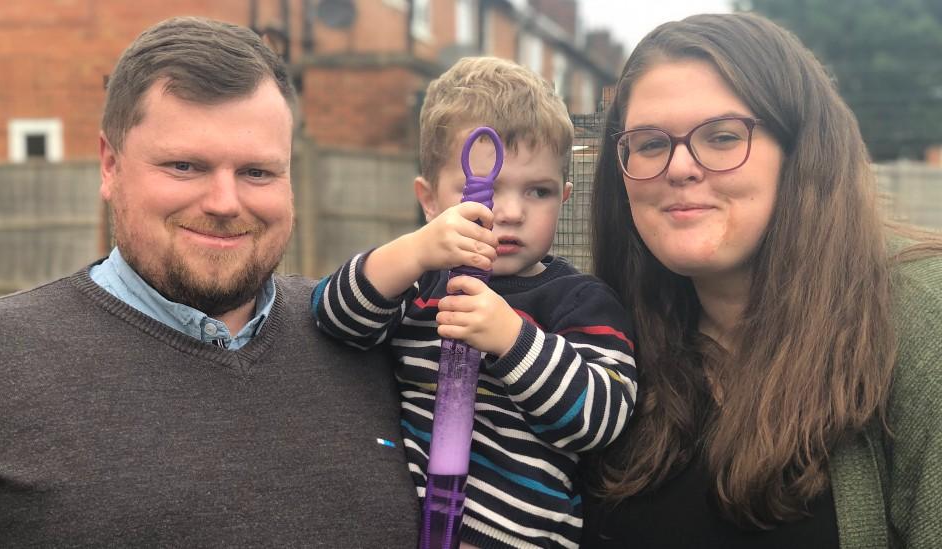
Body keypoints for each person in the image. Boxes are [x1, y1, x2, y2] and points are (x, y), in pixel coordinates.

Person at [0, 16, 420, 545]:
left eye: (257, 172)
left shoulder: (380, 342)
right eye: (184, 166)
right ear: (110, 166)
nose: (225, 203)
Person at [581, 12, 942, 549]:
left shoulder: (920, 320)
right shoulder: (606, 339)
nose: (679, 167)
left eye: (722, 136)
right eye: (651, 144)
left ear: (800, 153)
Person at [311, 57, 637, 548]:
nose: (509, 211)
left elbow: (602, 418)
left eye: (538, 191)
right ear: (429, 201)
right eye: (480, 189)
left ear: (565, 197)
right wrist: (414, 251)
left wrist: (512, 339)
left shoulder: (580, 302)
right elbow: (334, 319)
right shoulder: (420, 283)